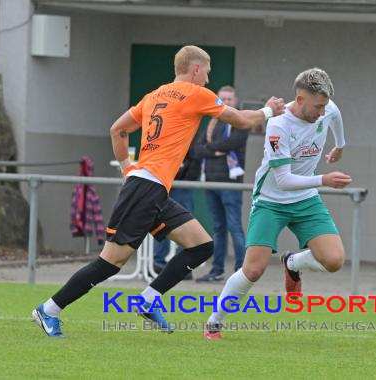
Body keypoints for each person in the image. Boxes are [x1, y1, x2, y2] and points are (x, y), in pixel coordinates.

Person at [31, 45, 285, 337]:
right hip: (145, 188)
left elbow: (118, 130)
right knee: (110, 262)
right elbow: (242, 120)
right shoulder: (196, 93)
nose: (207, 81)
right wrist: (269, 110)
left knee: (202, 245)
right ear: (196, 69)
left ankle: (148, 299)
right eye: (207, 73)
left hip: (151, 187)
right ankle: (49, 309)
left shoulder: (154, 95)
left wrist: (128, 167)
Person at [204, 68, 352, 340]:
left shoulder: (326, 107)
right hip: (271, 201)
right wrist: (323, 179)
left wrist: (340, 145)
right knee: (253, 270)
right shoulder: (278, 125)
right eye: (317, 106)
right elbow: (283, 180)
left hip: (305, 199)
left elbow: (335, 115)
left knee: (333, 260)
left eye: (324, 106)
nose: (322, 112)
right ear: (299, 98)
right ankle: (214, 321)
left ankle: (293, 263)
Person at [195, 86, 248, 282]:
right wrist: (215, 150)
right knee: (218, 228)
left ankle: (241, 272)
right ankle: (217, 271)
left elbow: (231, 144)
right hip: (211, 182)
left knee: (234, 227)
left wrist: (211, 149)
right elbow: (197, 150)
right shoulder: (212, 123)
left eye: (229, 99)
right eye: (222, 99)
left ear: (235, 101)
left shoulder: (241, 122)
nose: (225, 102)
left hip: (231, 184)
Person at [152, 137, 201, 280]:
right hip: (166, 181)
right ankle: (158, 263)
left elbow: (196, 155)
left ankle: (183, 266)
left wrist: (185, 177)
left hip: (182, 184)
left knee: (185, 226)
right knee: (162, 222)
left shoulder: (189, 131)